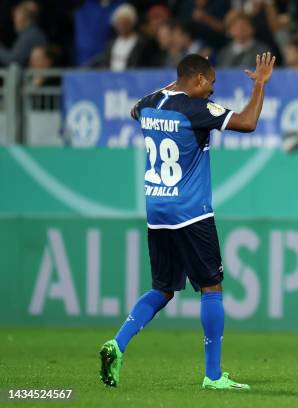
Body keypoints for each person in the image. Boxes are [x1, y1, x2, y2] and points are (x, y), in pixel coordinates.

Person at [99, 52, 276, 390]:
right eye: (210, 83)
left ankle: (117, 344)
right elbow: (248, 122)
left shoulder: (151, 103)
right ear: (197, 80)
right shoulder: (195, 110)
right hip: (191, 213)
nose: (211, 91)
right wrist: (261, 85)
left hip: (157, 211)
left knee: (162, 288)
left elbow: (137, 108)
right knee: (212, 288)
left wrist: (179, 81)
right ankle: (212, 376)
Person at [0, 0, 46, 67]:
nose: (14, 20)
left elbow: (13, 61)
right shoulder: (30, 34)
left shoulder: (31, 35)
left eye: (16, 15)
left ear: (23, 17)